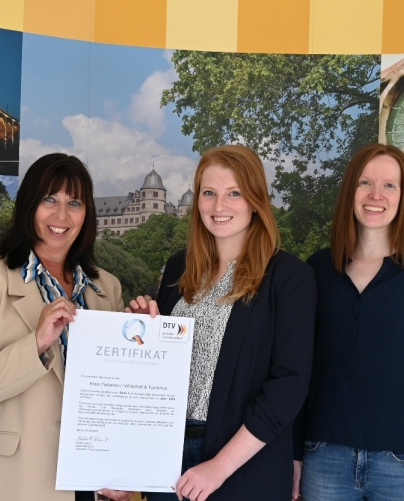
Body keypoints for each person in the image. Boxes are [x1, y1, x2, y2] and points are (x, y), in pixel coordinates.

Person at [130, 144, 316, 501]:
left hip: (243, 466)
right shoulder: (178, 267)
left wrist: (219, 467)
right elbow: (161, 368)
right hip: (164, 457)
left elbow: (289, 386)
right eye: (209, 193)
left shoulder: (289, 277)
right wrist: (144, 332)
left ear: (255, 200)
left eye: (234, 193)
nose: (219, 206)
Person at [0, 153, 132, 501]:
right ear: (29, 206)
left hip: (90, 484)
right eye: (50, 199)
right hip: (15, 480)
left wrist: (140, 332)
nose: (61, 215)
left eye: (74, 202)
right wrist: (34, 343)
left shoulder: (108, 288)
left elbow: (117, 396)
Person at [295, 143, 404, 501]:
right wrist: (293, 455)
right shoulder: (318, 270)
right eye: (365, 183)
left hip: (402, 463)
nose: (376, 195)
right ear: (349, 191)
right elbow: (299, 369)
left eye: (389, 185)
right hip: (323, 456)